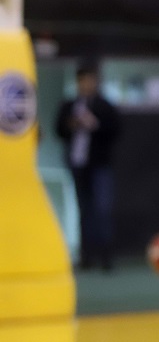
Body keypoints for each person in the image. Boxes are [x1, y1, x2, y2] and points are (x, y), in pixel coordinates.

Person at [56, 64, 120, 271]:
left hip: (100, 166)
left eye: (90, 80)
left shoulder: (104, 106)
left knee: (102, 209)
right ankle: (86, 257)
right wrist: (72, 125)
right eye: (83, 80)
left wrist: (94, 124)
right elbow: (59, 129)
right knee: (84, 210)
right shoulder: (70, 105)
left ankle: (106, 257)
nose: (86, 84)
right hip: (78, 165)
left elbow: (115, 130)